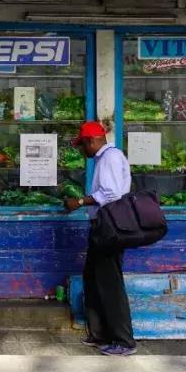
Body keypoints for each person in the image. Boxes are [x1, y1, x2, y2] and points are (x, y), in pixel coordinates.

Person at [64, 121, 137, 356]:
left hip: (110, 227)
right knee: (93, 278)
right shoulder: (103, 159)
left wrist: (80, 202)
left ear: (92, 141)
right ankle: (100, 333)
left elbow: (112, 193)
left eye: (82, 145)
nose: (81, 151)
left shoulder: (110, 158)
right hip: (101, 225)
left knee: (110, 283)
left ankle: (124, 341)